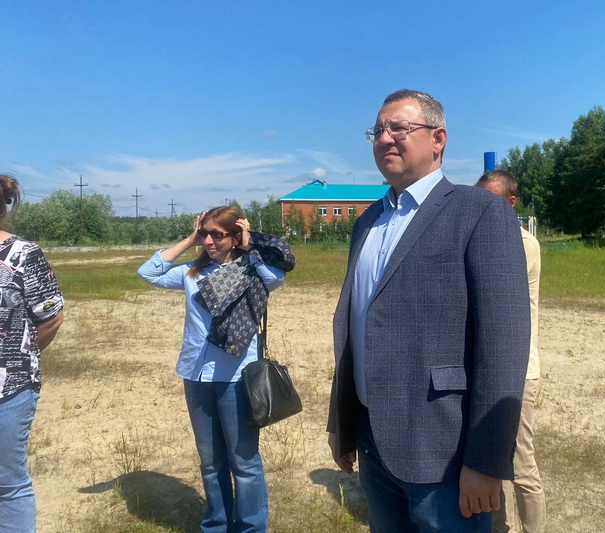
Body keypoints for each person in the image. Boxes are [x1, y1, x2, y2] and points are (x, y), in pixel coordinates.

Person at [327, 89, 531, 532]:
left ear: (438, 139)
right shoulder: (367, 222)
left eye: (399, 128)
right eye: (377, 131)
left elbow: (504, 344)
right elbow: (355, 326)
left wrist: (486, 461)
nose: (385, 138)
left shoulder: (480, 212)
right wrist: (341, 423)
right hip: (373, 439)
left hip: (446, 449)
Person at [138, 206, 294, 533]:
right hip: (195, 375)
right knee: (210, 463)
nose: (209, 241)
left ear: (235, 236)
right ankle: (216, 526)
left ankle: (250, 528)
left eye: (217, 235)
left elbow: (276, 277)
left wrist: (250, 244)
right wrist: (189, 239)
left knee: (244, 463)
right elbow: (149, 272)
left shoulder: (252, 271)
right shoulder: (193, 273)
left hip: (235, 377)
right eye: (205, 234)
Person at [476, 170, 546, 533]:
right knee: (492, 459)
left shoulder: (523, 243)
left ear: (512, 204)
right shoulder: (486, 237)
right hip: (488, 369)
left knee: (520, 462)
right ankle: (499, 527)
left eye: (491, 201)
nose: (482, 209)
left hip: (519, 371)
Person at [0, 174, 64, 533]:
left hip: (9, 390)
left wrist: (16, 358)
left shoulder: (23, 254)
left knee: (7, 484)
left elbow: (51, 317)